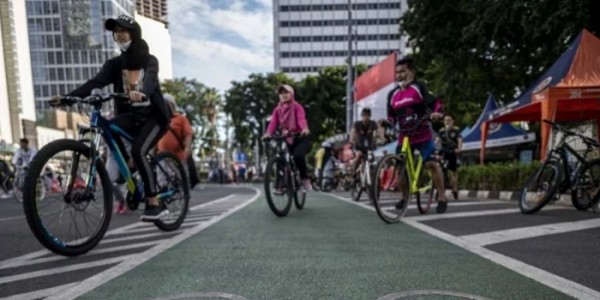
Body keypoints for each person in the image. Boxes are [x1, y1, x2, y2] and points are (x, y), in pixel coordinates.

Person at [51, 15, 171, 221]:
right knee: (107, 127)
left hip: (154, 118)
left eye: (123, 31)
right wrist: (68, 98)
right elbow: (95, 82)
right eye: (116, 32)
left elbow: (150, 79)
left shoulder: (149, 60)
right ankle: (130, 167)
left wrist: (143, 92)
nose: (119, 35)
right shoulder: (115, 64)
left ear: (134, 34)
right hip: (131, 116)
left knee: (139, 150)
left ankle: (154, 203)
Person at [387, 57, 448, 213]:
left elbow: (436, 103)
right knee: (400, 167)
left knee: (431, 164)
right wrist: (386, 124)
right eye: (397, 72)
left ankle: (442, 197)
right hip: (404, 136)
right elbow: (391, 117)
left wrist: (436, 112)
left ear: (411, 72)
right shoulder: (392, 95)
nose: (399, 75)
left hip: (423, 134)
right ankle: (404, 196)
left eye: (403, 71)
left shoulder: (419, 87)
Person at [262, 84, 311, 190]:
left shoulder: (297, 107)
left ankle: (304, 178)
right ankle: (280, 184)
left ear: (292, 94)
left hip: (300, 137)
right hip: (286, 138)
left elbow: (301, 119)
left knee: (298, 156)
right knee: (280, 158)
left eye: (286, 92)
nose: (283, 95)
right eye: (281, 93)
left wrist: (304, 129)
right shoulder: (277, 110)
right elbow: (273, 123)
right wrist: (268, 134)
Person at [437, 113, 463, 200]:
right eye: (445, 120)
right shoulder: (441, 131)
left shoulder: (456, 130)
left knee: (453, 172)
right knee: (440, 171)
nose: (447, 122)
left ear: (453, 121)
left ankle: (455, 189)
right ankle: (441, 192)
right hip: (444, 152)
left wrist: (459, 149)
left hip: (452, 152)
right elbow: (438, 141)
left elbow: (459, 139)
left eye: (449, 120)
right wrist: (437, 150)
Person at [350, 107, 378, 175]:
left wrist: (378, 140)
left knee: (374, 159)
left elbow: (376, 134)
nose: (366, 117)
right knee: (359, 154)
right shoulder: (357, 124)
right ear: (362, 115)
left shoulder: (373, 123)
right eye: (364, 115)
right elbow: (352, 133)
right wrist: (352, 140)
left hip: (369, 148)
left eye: (368, 115)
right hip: (358, 147)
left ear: (370, 116)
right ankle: (353, 172)